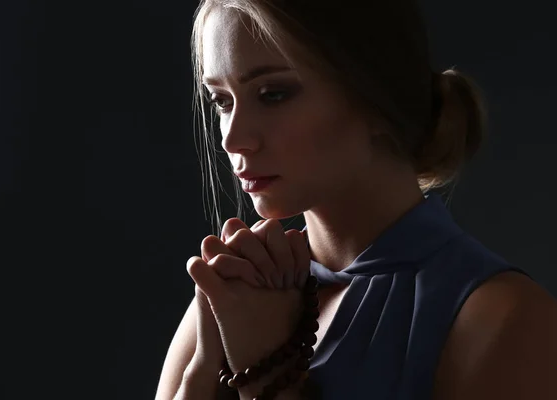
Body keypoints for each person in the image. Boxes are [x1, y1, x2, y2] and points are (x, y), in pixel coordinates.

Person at [156, 0, 557, 399]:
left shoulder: (505, 319)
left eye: (273, 94)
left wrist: (265, 370)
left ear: (376, 97)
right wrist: (204, 366)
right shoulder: (234, 294)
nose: (232, 138)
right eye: (221, 101)